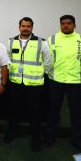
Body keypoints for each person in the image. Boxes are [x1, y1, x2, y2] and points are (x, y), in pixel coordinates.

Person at [3, 17, 51, 152]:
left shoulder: (42, 42)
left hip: (34, 84)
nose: (25, 28)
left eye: (28, 26)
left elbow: (48, 62)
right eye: (23, 26)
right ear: (19, 27)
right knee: (14, 110)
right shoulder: (11, 42)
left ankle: (36, 139)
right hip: (16, 82)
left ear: (32, 28)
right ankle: (11, 133)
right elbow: (7, 60)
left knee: (35, 113)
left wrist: (39, 74)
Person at [44, 15, 81, 150]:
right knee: (53, 110)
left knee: (76, 112)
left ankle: (76, 139)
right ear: (60, 25)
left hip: (75, 81)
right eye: (63, 23)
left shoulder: (80, 39)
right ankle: (51, 137)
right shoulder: (51, 39)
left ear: (74, 25)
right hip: (56, 80)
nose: (65, 25)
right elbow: (46, 58)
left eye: (69, 23)